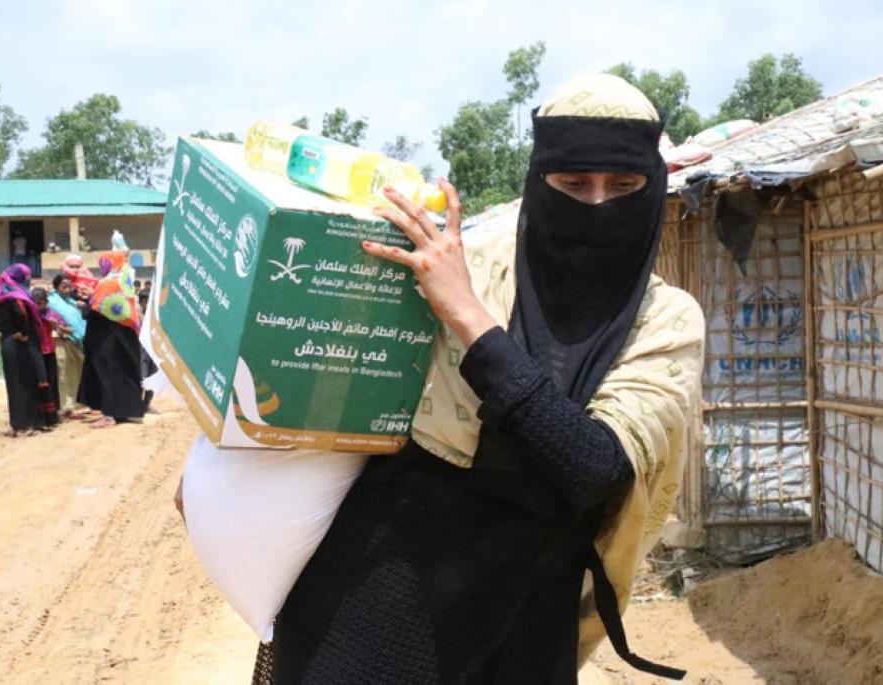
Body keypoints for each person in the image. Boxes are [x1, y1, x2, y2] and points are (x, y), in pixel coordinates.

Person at [239, 74, 706, 683]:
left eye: (624, 185)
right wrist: (228, 467)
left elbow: (592, 467)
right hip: (387, 581)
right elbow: (315, 363)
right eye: (573, 183)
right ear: (540, 181)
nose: (597, 205)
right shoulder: (465, 264)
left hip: (531, 608)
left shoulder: (665, 319)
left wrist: (467, 317)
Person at [77, 248, 145, 428]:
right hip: (124, 336)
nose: (102, 266)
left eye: (103, 263)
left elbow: (95, 309)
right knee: (123, 372)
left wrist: (85, 304)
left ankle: (109, 415)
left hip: (106, 338)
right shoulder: (125, 281)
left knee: (107, 373)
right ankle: (127, 410)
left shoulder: (107, 284)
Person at [0, 264, 53, 437]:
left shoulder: (2, 296)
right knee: (26, 383)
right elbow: (20, 314)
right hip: (22, 344)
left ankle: (18, 424)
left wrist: (6, 331)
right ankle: (28, 424)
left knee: (14, 384)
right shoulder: (18, 297)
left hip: (8, 343)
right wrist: (21, 332)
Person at [47, 274, 88, 417]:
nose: (67, 289)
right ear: (56, 287)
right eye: (63, 286)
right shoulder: (51, 301)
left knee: (74, 373)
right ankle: (63, 405)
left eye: (69, 286)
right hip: (60, 341)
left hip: (76, 342)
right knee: (62, 374)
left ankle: (71, 402)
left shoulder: (72, 302)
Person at [30, 286, 62, 429]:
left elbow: (62, 329)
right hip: (36, 353)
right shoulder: (30, 316)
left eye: (41, 303)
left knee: (51, 383)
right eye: (35, 303)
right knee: (40, 384)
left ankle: (52, 415)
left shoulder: (51, 314)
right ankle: (40, 416)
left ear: (46, 302)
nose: (38, 306)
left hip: (49, 351)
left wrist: (55, 326)